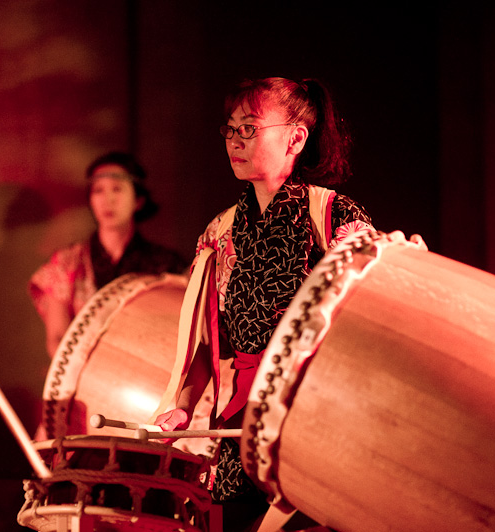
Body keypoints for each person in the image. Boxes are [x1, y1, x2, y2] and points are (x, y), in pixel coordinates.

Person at [152, 77, 375, 531]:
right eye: (231, 129)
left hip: (314, 415)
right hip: (241, 421)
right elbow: (205, 340)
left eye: (250, 128)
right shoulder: (219, 232)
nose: (235, 140)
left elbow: (368, 327)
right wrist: (184, 407)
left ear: (296, 138)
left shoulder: (334, 215)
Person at [29, 151, 187, 356]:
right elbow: (58, 338)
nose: (107, 199)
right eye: (98, 190)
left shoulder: (167, 265)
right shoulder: (67, 262)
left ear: (138, 200)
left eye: (117, 189)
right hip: (83, 370)